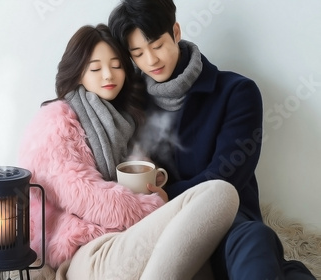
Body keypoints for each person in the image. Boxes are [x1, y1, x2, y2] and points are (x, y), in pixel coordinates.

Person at [108, 1, 316, 279]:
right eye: (137, 53)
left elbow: (225, 177)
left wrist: (168, 195)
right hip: (158, 226)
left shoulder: (237, 92)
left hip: (229, 221)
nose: (151, 61)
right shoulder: (131, 101)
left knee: (254, 239)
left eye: (157, 45)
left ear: (176, 32)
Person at [18, 23, 239, 279]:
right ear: (78, 73)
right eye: (96, 68)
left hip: (127, 239)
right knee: (220, 193)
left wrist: (151, 182)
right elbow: (85, 196)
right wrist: (155, 207)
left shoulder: (125, 121)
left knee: (207, 243)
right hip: (87, 250)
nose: (108, 76)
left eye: (116, 65)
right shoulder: (55, 121)